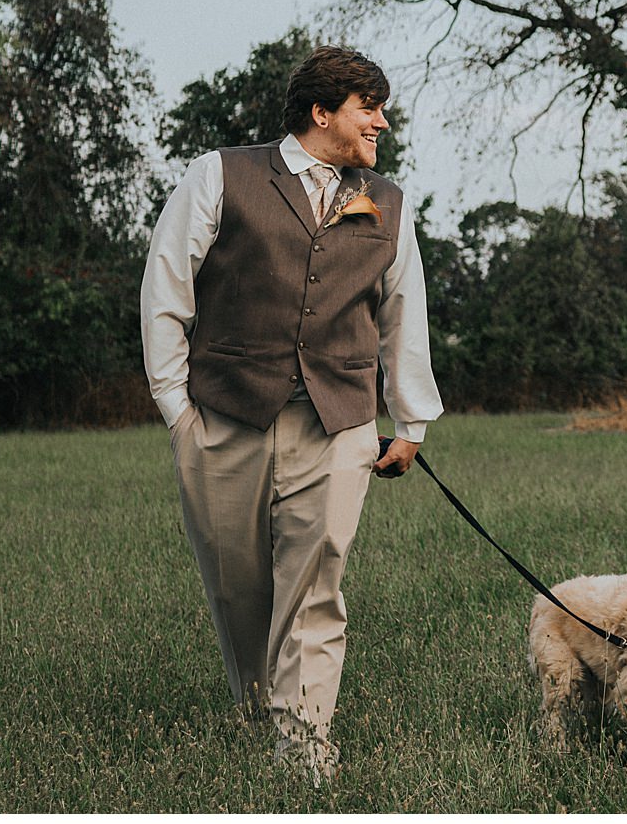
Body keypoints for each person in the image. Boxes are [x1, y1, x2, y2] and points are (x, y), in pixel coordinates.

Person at [141, 45, 442, 782]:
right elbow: (166, 291)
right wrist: (179, 412)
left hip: (337, 424)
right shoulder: (220, 174)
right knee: (238, 586)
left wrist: (411, 423)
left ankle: (303, 747)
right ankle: (255, 712)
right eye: (368, 105)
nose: (382, 119)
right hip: (225, 420)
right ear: (321, 110)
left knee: (316, 584)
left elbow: (405, 313)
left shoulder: (388, 202)